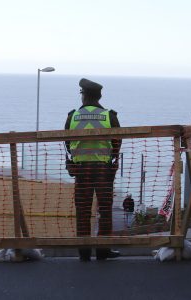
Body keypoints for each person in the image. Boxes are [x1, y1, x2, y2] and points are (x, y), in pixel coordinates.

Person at [65, 78, 122, 261]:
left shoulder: (72, 117)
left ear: (83, 96)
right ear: (99, 96)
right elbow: (117, 143)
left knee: (82, 211)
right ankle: (103, 251)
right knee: (104, 210)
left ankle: (83, 252)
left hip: (81, 171)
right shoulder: (109, 116)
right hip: (103, 171)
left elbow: (67, 143)